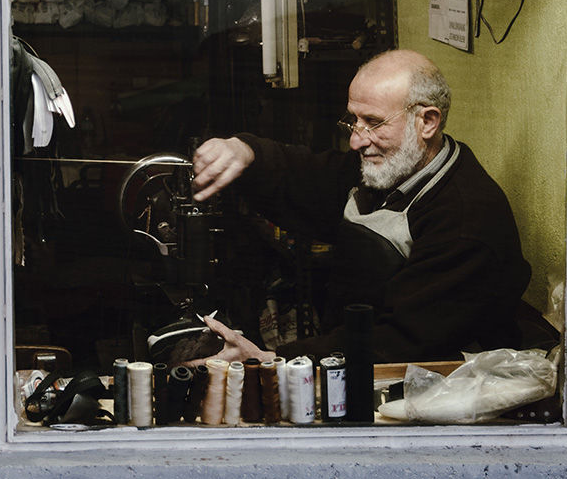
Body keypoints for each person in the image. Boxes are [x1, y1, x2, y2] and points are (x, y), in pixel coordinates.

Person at [189, 49, 531, 364]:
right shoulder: (392, 167)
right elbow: (311, 177)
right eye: (354, 120)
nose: (356, 139)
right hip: (355, 353)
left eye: (374, 122)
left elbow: (399, 343)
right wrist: (246, 152)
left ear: (427, 121)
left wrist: (275, 359)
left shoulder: (465, 222)